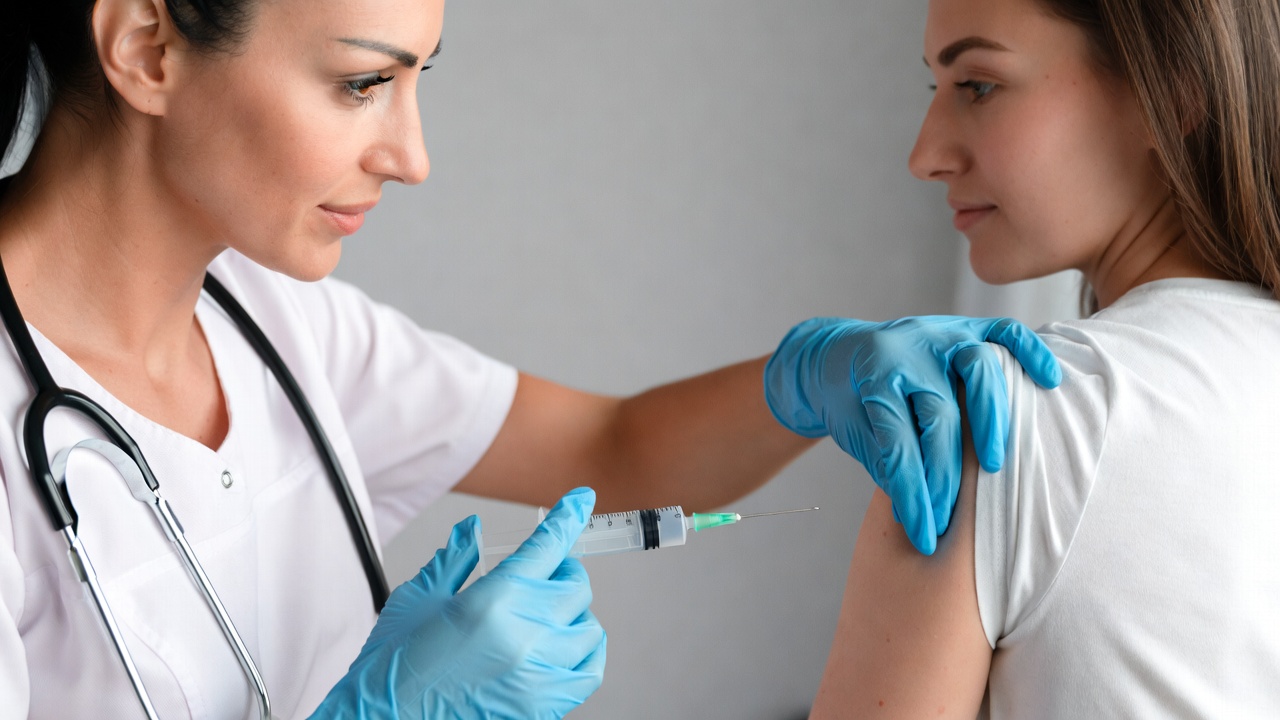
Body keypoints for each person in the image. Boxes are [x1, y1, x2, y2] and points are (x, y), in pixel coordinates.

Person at [0, 0, 1062, 717]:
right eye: (361, 85)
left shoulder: (274, 323)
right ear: (146, 45)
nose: (410, 159)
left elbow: (614, 446)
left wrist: (810, 378)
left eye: (417, 82)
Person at [802, 0, 1280, 716]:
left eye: (978, 86)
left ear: (1173, 91)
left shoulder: (988, 419)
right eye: (935, 89)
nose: (924, 156)